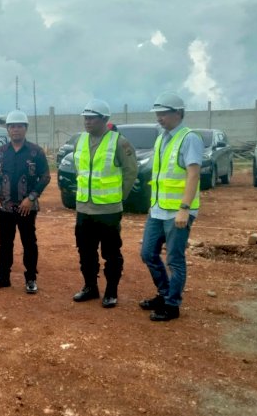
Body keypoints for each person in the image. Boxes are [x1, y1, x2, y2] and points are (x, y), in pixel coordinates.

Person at [139, 92, 202, 322]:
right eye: (157, 113)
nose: (159, 117)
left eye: (163, 113)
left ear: (178, 113)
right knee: (147, 253)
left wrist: (184, 208)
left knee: (174, 259)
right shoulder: (161, 138)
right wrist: (153, 204)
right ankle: (164, 294)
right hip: (157, 210)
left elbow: (193, 175)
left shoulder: (189, 138)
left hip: (178, 212)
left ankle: (172, 305)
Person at [70, 100, 138, 308]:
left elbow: (130, 171)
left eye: (92, 118)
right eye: (85, 118)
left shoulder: (119, 142)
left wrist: (119, 197)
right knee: (85, 252)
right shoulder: (80, 141)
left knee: (111, 253)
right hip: (84, 208)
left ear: (105, 119)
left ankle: (111, 291)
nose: (87, 122)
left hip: (108, 210)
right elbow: (79, 169)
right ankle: (90, 287)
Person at [0, 110, 51, 294]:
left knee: (29, 242)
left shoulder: (35, 152)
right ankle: (3, 276)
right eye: (12, 126)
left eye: (19, 126)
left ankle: (31, 278)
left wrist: (31, 198)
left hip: (26, 208)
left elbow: (45, 177)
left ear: (26, 128)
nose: (16, 130)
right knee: (5, 243)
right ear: (7, 129)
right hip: (4, 207)